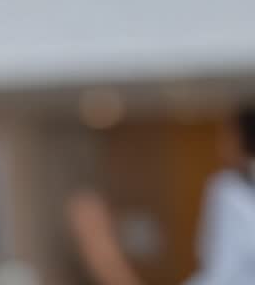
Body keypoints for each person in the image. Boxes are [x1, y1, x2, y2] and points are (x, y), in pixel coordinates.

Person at [66, 103, 255, 285]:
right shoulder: (232, 188)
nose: (220, 143)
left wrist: (100, 245)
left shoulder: (229, 190)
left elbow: (222, 271)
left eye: (225, 134)